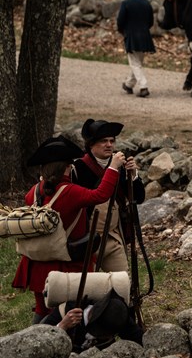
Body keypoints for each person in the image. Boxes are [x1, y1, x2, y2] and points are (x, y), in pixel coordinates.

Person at [12, 136, 125, 323]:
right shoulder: (69, 191)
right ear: (66, 167)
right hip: (65, 263)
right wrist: (113, 167)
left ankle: (33, 341)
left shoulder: (33, 191)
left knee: (43, 309)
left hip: (36, 262)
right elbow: (101, 194)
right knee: (69, 311)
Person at [73, 119, 145, 273]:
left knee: (121, 283)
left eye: (112, 141)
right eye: (103, 141)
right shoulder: (78, 168)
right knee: (89, 288)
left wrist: (133, 175)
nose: (109, 145)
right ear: (91, 144)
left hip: (113, 236)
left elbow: (138, 198)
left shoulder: (121, 167)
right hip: (86, 237)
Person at [41, 290, 142, 352]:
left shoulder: (117, 315)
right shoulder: (66, 310)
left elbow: (141, 340)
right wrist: (62, 326)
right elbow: (40, 340)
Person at [117, 0, 156, 98]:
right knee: (137, 62)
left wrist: (122, 31)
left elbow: (120, 22)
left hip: (132, 36)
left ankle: (143, 87)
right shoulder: (146, 3)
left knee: (135, 63)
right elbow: (150, 22)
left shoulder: (126, 4)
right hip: (145, 36)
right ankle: (129, 85)